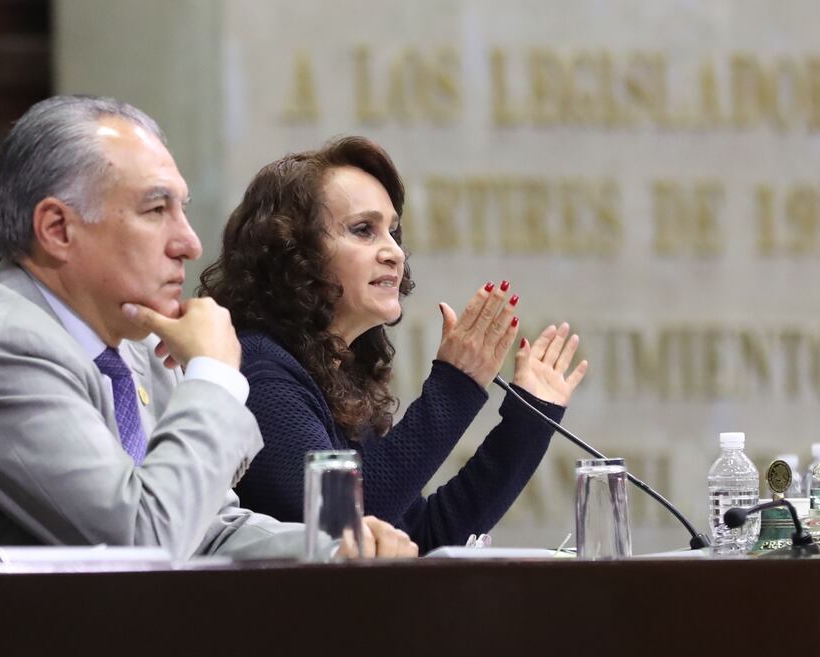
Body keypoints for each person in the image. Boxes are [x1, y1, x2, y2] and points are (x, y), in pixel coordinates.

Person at [0, 96, 416, 560]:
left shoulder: (142, 346)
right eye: (157, 210)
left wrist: (335, 550)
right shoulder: (8, 345)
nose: (190, 243)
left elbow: (207, 530)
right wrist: (214, 376)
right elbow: (141, 543)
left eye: (182, 209)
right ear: (57, 229)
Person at [199, 137, 588, 552]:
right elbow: (346, 528)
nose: (395, 253)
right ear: (291, 250)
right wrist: (456, 385)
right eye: (363, 230)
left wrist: (528, 422)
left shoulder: (333, 377)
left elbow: (424, 536)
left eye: (393, 231)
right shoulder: (258, 372)